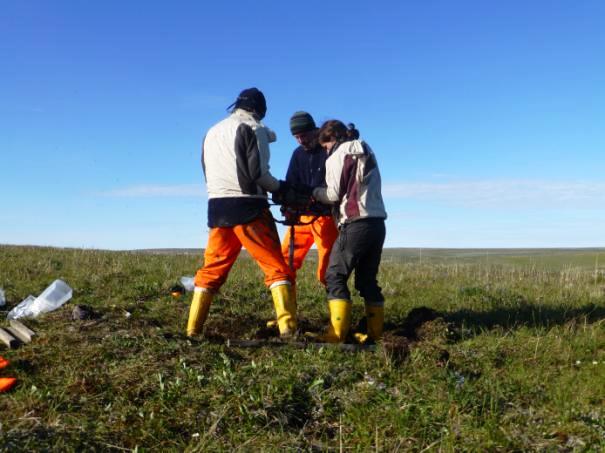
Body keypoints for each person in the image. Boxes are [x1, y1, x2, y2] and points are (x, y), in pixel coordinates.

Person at [187, 88, 308, 339]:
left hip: (217, 206)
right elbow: (259, 174)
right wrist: (281, 189)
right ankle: (288, 328)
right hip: (249, 207)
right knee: (277, 268)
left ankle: (193, 329)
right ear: (260, 109)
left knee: (213, 267)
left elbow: (206, 169)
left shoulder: (212, 131)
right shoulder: (254, 128)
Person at [311, 120, 387, 343]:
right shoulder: (366, 148)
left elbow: (333, 195)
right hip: (377, 223)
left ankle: (336, 335)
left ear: (331, 140)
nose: (325, 151)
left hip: (355, 223)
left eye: (325, 146)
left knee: (334, 275)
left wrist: (315, 192)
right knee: (367, 281)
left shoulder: (337, 155)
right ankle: (375, 335)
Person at [281, 111, 338, 285]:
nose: (300, 140)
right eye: (296, 137)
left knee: (327, 269)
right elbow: (291, 183)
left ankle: (336, 308)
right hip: (301, 217)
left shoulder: (329, 150)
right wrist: (287, 207)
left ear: (314, 130)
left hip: (326, 217)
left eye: (303, 135)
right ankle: (288, 309)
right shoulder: (297, 154)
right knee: (285, 262)